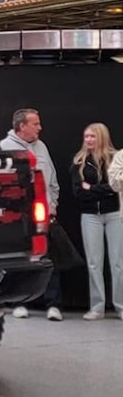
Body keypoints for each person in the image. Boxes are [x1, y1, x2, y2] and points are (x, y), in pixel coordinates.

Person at [0, 108, 63, 321]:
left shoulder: (41, 147)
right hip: (18, 216)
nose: (40, 128)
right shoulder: (4, 148)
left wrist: (52, 204)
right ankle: (19, 302)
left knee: (49, 257)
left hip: (43, 214)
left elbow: (52, 180)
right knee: (21, 258)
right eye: (35, 124)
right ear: (22, 126)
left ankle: (53, 304)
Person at [73, 123, 123, 320]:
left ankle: (120, 306)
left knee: (118, 262)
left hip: (114, 214)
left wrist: (92, 189)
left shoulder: (115, 158)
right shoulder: (79, 161)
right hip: (90, 216)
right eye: (86, 136)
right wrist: (104, 189)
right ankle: (97, 307)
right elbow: (78, 193)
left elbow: (116, 186)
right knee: (94, 263)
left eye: (92, 136)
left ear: (101, 137)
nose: (89, 140)